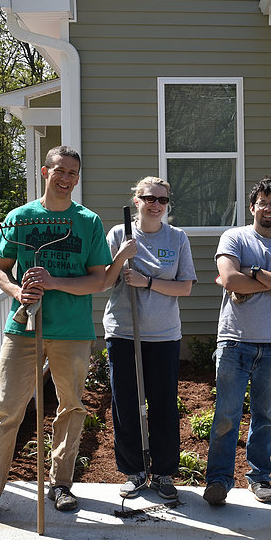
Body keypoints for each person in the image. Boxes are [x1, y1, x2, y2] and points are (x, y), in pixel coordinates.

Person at [0, 146, 113, 526]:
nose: (66, 179)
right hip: (23, 328)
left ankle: (61, 484)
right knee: (6, 409)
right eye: (60, 171)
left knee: (71, 407)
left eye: (73, 173)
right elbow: (0, 270)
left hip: (72, 331)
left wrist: (53, 282)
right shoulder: (20, 218)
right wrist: (18, 292)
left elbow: (98, 279)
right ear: (45, 172)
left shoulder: (87, 222)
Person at [203, 176, 271, 506]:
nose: (268, 209)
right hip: (235, 342)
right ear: (252, 207)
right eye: (262, 202)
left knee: (265, 418)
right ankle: (219, 480)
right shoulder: (234, 237)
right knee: (226, 415)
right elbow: (229, 279)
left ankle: (259, 478)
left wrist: (256, 275)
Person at [101, 176, 196, 501]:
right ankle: (134, 472)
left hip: (163, 335)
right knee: (126, 404)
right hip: (124, 332)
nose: (156, 205)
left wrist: (148, 282)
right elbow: (103, 281)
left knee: (163, 405)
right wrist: (121, 256)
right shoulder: (119, 234)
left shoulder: (177, 238)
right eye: (149, 198)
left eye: (162, 200)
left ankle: (164, 473)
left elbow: (184, 286)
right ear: (137, 200)